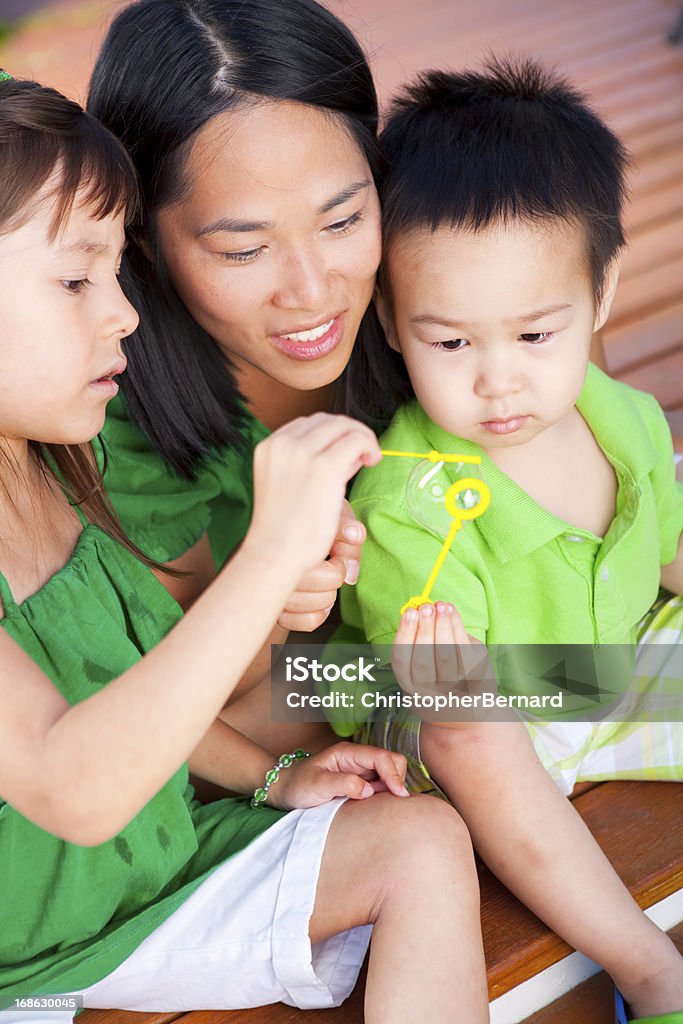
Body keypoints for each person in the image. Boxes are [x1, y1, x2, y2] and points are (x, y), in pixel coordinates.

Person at [0, 76, 490, 1024]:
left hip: (186, 828)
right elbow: (155, 722)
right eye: (241, 243)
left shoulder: (435, 332)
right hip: (310, 713)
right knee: (514, 701)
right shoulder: (108, 434)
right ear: (161, 246)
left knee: (462, 757)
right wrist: (275, 586)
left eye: (342, 218)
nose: (309, 286)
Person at [338, 60, 683, 1023]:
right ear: (391, 322)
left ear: (602, 293)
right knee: (471, 726)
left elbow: (668, 552)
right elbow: (447, 702)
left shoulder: (624, 418)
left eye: (535, 336)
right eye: (450, 343)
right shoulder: (411, 497)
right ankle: (648, 965)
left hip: (606, 671)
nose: (497, 383)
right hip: (470, 717)